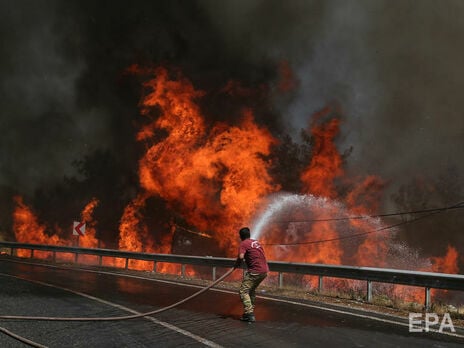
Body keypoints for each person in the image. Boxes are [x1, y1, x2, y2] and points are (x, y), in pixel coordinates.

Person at [233, 227, 269, 322]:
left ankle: (249, 313)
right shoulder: (256, 242)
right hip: (264, 271)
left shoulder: (243, 244)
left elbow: (241, 256)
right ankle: (249, 311)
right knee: (251, 290)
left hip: (255, 271)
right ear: (249, 235)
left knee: (243, 291)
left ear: (240, 236)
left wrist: (237, 263)